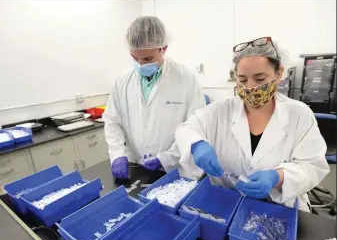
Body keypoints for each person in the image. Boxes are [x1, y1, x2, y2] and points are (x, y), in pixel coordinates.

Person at [175, 36, 330, 212]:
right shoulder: (220, 111)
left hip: (279, 208)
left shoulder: (299, 114)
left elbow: (313, 165)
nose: (250, 87)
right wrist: (197, 144)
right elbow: (186, 129)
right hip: (227, 204)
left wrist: (278, 176)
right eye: (242, 80)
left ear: (278, 73)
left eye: (260, 78)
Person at [103, 16, 205, 179]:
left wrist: (167, 158)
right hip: (137, 167)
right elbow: (112, 121)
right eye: (135, 58)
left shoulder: (185, 78)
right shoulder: (122, 81)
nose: (141, 64)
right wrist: (117, 153)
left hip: (176, 170)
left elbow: (196, 125)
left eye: (148, 59)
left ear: (163, 48)